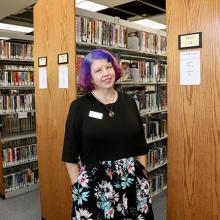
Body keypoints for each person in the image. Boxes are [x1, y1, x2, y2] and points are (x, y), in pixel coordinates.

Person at [62, 49, 154, 220]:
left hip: (131, 182)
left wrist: (142, 176)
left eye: (108, 67)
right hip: (95, 187)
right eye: (98, 70)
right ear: (89, 77)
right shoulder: (79, 107)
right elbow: (69, 153)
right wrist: (79, 187)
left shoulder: (129, 101)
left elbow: (141, 145)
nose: (106, 73)